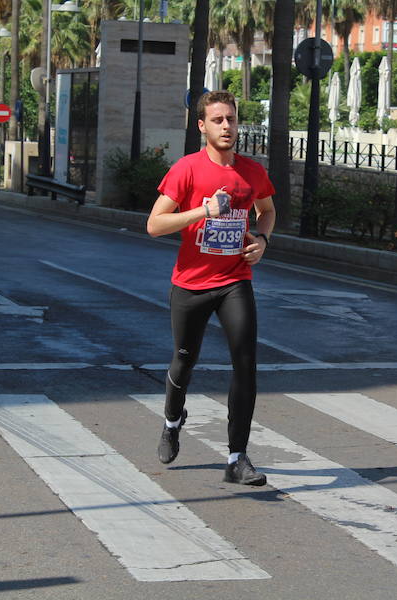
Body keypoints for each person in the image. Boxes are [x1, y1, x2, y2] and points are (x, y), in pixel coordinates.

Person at [147, 90, 276, 486]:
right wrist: (203, 210)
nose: (226, 126)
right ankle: (172, 420)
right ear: (201, 126)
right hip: (190, 285)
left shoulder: (252, 172)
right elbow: (154, 225)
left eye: (231, 119)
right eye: (217, 120)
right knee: (184, 361)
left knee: (245, 364)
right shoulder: (186, 170)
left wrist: (262, 240)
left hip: (235, 280)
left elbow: (267, 210)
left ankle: (237, 457)